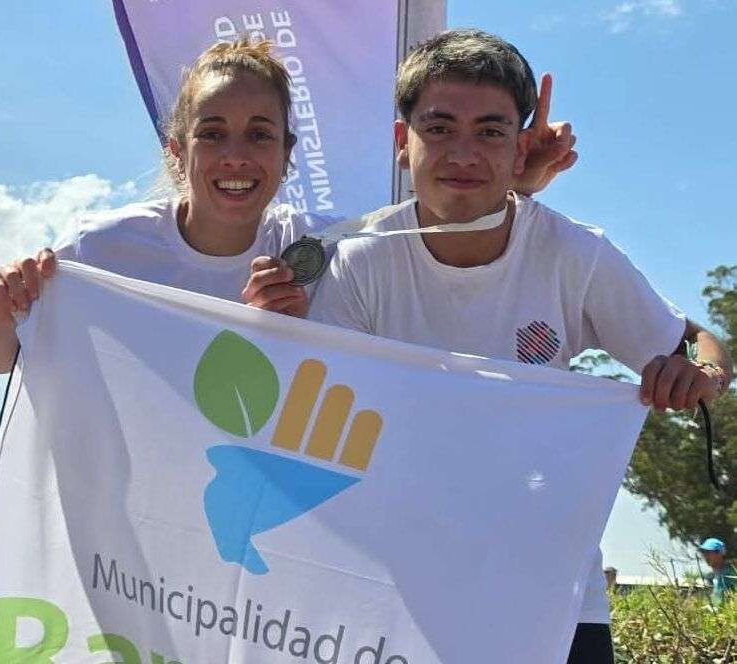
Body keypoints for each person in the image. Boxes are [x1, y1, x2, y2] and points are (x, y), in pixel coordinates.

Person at [242, 29, 733, 664]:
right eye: (439, 128)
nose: (463, 153)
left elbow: (700, 342)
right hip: (397, 594)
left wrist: (701, 376)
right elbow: (321, 429)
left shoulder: (575, 255)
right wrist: (270, 336)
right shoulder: (357, 263)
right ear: (402, 143)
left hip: (554, 600)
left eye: (491, 131)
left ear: (520, 146)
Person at [0, 38, 575, 373]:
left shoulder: (322, 248)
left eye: (259, 135)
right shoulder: (100, 246)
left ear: (287, 153)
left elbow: (432, 234)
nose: (236, 157)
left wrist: (513, 187)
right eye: (212, 135)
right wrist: (1, 311)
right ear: (178, 151)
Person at [699, 538, 737, 607]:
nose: (705, 556)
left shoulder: (729, 575)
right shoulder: (710, 576)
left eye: (708, 552)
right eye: (704, 552)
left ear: (720, 553)